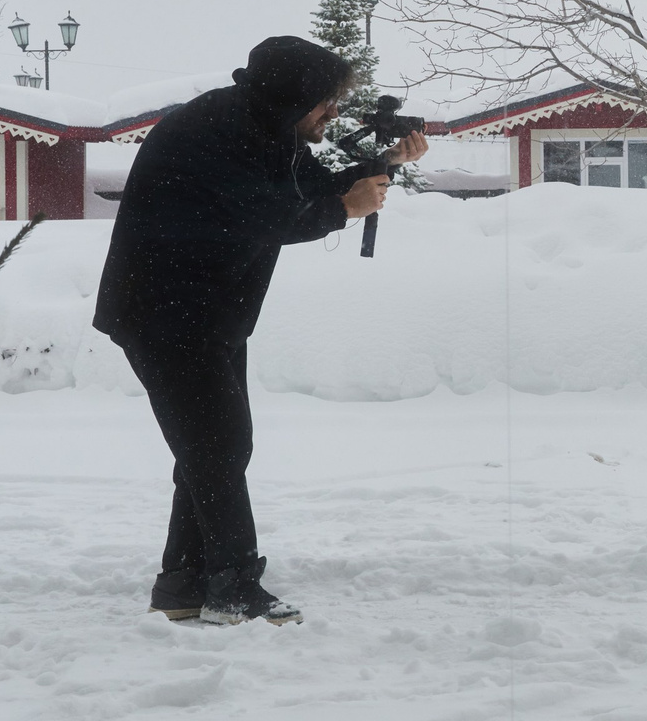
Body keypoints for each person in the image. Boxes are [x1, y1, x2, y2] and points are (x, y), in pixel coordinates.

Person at [93, 36, 428, 626]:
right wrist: (346, 210)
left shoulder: (261, 125)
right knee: (218, 446)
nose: (332, 114)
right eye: (325, 102)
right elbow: (268, 216)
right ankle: (231, 588)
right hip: (167, 312)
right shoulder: (220, 132)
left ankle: (183, 585)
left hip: (204, 312)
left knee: (210, 447)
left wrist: (382, 167)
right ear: (292, 94)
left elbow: (303, 190)